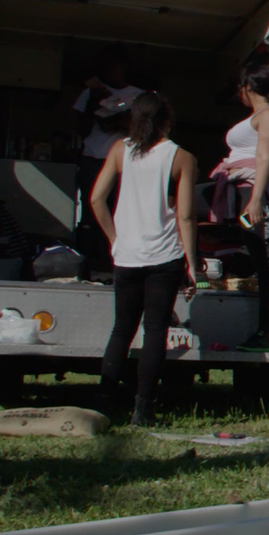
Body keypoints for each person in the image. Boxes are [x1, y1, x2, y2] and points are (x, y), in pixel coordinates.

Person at [89, 92, 201, 425]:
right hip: (164, 256)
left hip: (127, 255)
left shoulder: (120, 150)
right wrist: (193, 264)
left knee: (121, 330)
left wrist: (114, 239)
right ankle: (144, 408)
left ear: (134, 119)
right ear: (168, 120)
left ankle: (104, 402)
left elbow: (96, 199)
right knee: (155, 331)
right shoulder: (182, 158)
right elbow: (185, 218)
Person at [209, 65, 269, 353]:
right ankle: (262, 330)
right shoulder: (258, 116)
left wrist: (257, 198)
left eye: (240, 88)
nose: (239, 93)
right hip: (244, 192)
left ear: (248, 87)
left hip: (257, 194)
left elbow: (265, 156)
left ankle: (265, 332)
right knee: (258, 260)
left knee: (268, 265)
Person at [71, 45, 143, 273]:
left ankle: (119, 262)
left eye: (113, 65)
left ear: (124, 66)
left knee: (123, 213)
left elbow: (145, 130)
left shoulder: (139, 95)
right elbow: (79, 128)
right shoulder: (91, 93)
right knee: (92, 214)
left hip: (127, 164)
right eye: (104, 66)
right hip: (94, 160)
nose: (108, 70)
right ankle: (92, 262)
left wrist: (123, 122)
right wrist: (93, 103)